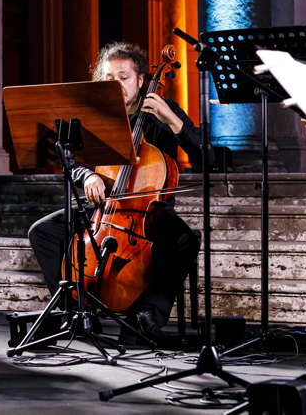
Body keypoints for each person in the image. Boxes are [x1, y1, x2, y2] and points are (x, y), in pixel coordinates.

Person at [27, 41, 201, 340]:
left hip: (149, 211)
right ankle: (75, 310)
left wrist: (172, 121)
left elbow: (205, 158)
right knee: (42, 232)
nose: (117, 84)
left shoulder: (163, 110)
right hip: (104, 207)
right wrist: (87, 176)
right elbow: (70, 158)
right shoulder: (97, 114)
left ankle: (145, 314)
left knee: (185, 240)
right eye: (109, 79)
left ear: (141, 80)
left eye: (124, 77)